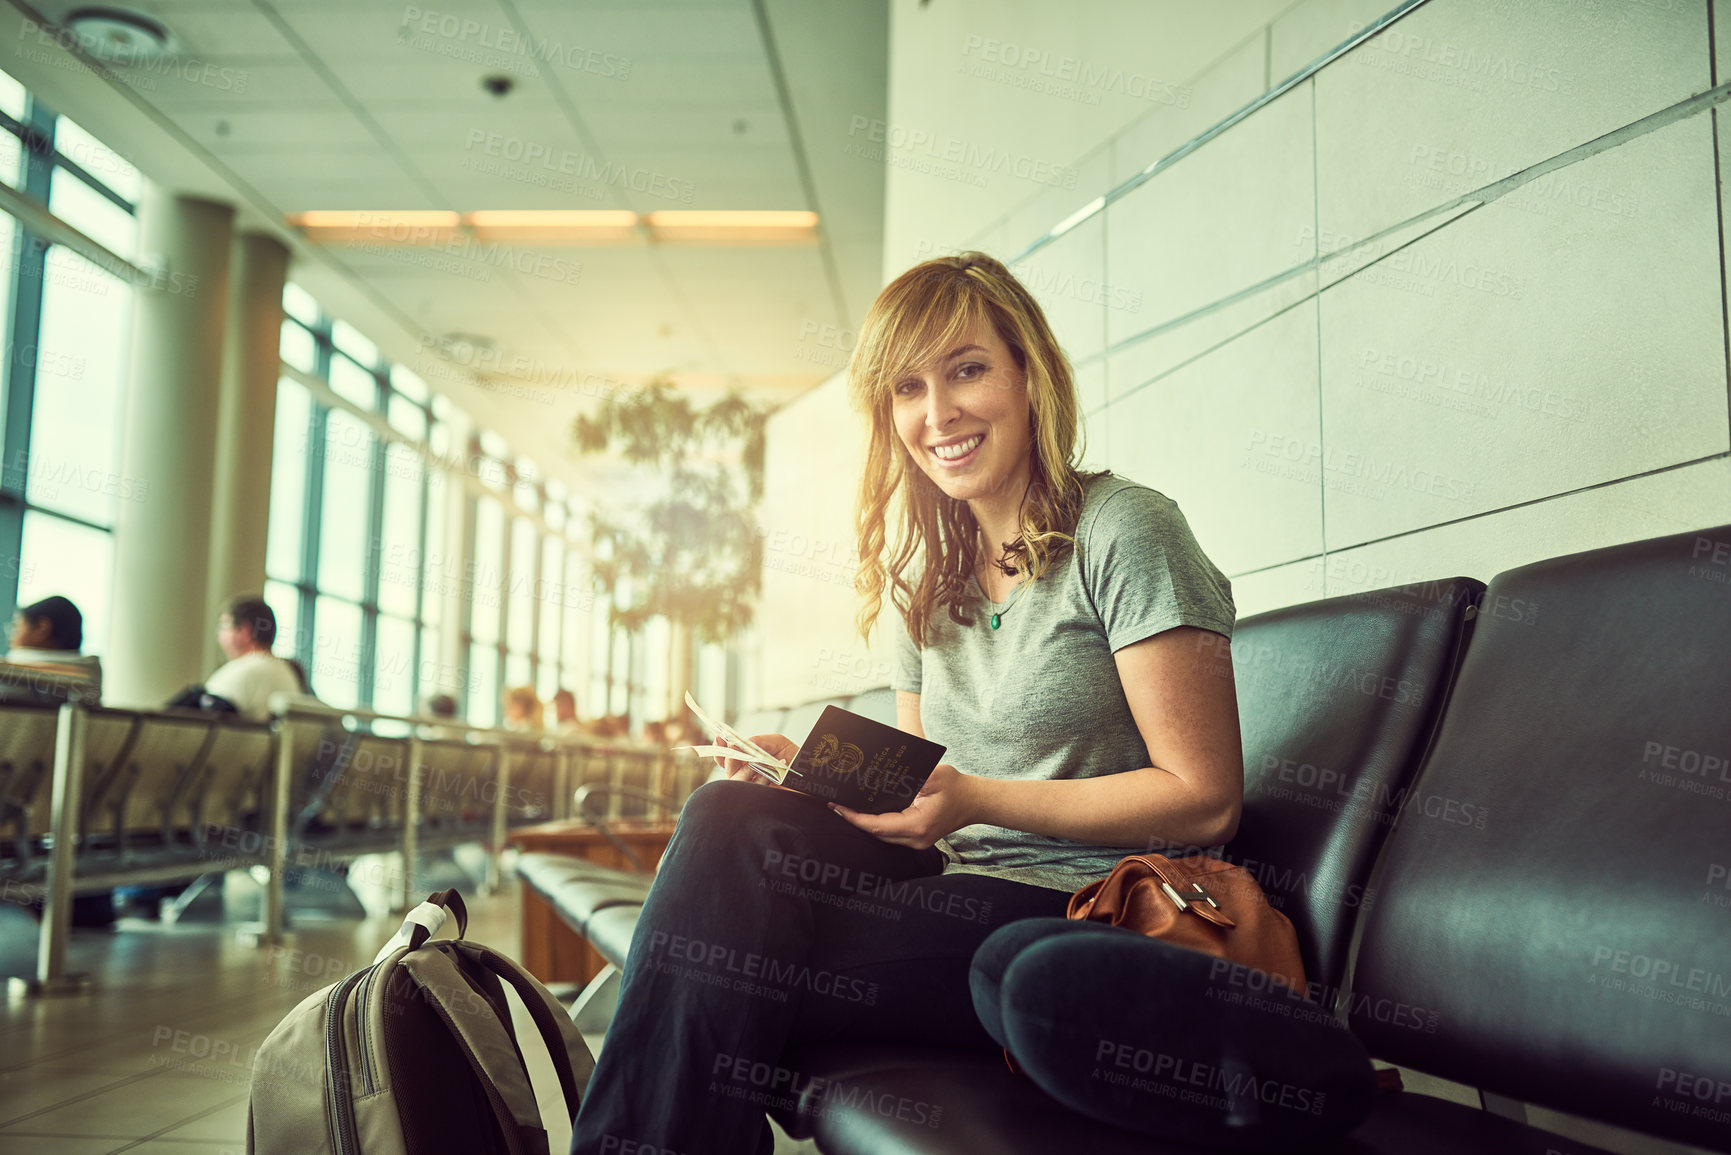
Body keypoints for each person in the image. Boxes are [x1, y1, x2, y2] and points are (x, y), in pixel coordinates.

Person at [570, 253, 1246, 1154]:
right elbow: (922, 800)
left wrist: (977, 797)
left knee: (716, 972)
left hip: (1087, 906)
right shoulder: (924, 581)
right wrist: (806, 778)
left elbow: (1204, 796)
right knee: (732, 813)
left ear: (1026, 372)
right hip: (956, 881)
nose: (939, 415)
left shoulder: (1124, 531)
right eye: (908, 389)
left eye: (967, 369)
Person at [204, 594, 302, 722]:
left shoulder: (240, 672)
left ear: (244, 631)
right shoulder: (288, 673)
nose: (219, 635)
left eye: (223, 626)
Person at [4, 594, 102, 701]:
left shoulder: (11, 674)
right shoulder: (90, 674)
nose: (10, 638)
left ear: (42, 628)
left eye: (17, 627)